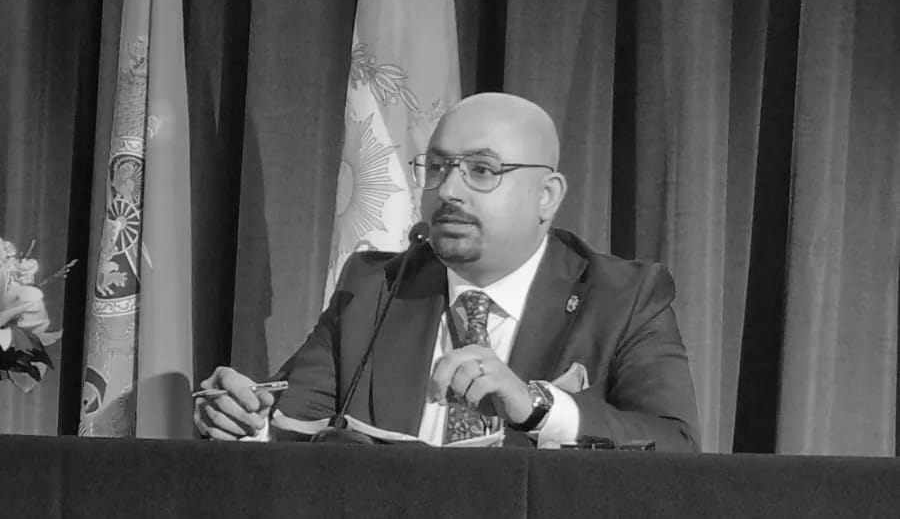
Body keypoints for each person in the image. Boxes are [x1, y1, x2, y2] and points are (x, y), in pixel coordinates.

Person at [194, 92, 700, 451]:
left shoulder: (623, 296)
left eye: (482, 170)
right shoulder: (375, 288)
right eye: (437, 168)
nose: (449, 191)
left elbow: (674, 446)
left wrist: (538, 407)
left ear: (547, 197)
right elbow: (293, 425)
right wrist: (244, 421)